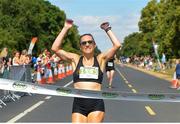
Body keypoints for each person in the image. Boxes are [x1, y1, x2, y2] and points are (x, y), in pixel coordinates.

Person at [51, 19, 121, 123]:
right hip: (78, 105)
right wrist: (65, 28)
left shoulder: (100, 59)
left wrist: (107, 29)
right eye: (84, 43)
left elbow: (117, 45)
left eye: (90, 42)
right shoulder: (75, 59)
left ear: (94, 45)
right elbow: (55, 48)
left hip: (96, 104)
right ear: (80, 47)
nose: (87, 44)